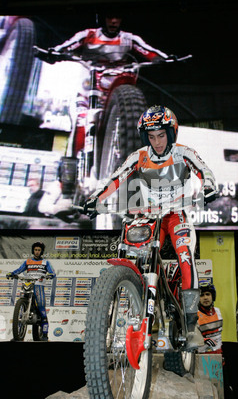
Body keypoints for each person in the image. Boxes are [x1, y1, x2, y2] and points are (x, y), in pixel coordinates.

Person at [83, 105, 217, 350]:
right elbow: (115, 178)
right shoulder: (138, 156)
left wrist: (209, 186)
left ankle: (190, 323)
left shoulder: (183, 153)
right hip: (151, 216)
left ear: (171, 133)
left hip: (177, 215)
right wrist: (96, 199)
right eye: (151, 136)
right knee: (139, 255)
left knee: (185, 257)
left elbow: (204, 170)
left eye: (161, 135)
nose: (156, 141)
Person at [6, 242, 56, 341]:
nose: (37, 252)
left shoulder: (46, 262)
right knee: (21, 301)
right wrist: (12, 273)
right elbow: (19, 270)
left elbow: (52, 272)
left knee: (41, 308)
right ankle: (18, 335)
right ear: (33, 250)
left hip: (39, 286)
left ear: (41, 251)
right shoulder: (27, 261)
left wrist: (50, 275)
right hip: (28, 284)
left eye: (39, 250)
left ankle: (45, 334)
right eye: (35, 250)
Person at [197, 281, 223, 354]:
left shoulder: (218, 312)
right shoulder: (194, 315)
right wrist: (203, 340)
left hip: (218, 353)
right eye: (202, 295)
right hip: (202, 354)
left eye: (208, 294)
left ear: (213, 296)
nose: (205, 298)